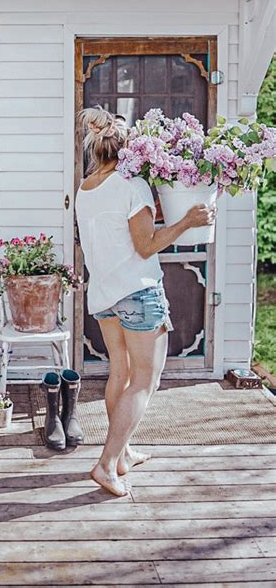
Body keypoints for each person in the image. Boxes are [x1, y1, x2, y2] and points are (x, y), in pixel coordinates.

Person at [75, 106, 216, 497]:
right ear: (130, 150)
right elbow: (146, 245)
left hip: (104, 294)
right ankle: (106, 464)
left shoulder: (85, 188)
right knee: (144, 382)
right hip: (137, 292)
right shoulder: (132, 186)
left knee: (119, 374)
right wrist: (188, 221)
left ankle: (122, 455)